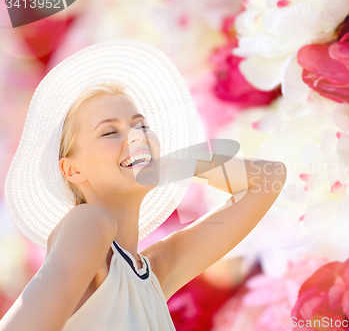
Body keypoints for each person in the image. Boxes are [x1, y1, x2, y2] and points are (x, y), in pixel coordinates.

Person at [0, 38, 286, 331]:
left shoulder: (155, 273)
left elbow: (269, 180)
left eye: (141, 126)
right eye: (109, 132)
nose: (137, 137)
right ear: (72, 169)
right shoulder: (88, 222)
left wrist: (168, 164)